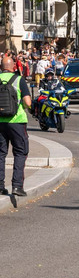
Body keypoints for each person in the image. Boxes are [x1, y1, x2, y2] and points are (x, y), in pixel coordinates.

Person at [0, 57, 31, 197]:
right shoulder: (19, 80)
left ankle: (0, 186)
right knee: (20, 152)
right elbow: (28, 102)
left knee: (1, 153)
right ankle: (17, 186)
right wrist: (20, 107)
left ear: (1, 67)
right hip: (17, 121)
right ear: (13, 67)